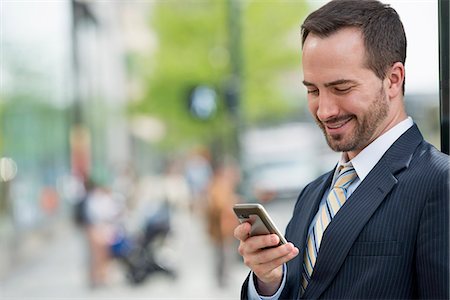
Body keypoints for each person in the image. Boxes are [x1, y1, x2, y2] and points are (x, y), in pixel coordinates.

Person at [234, 0, 449, 299]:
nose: (324, 110)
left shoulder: (440, 183)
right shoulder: (312, 193)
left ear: (393, 79)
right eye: (312, 90)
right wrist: (269, 282)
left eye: (342, 88)